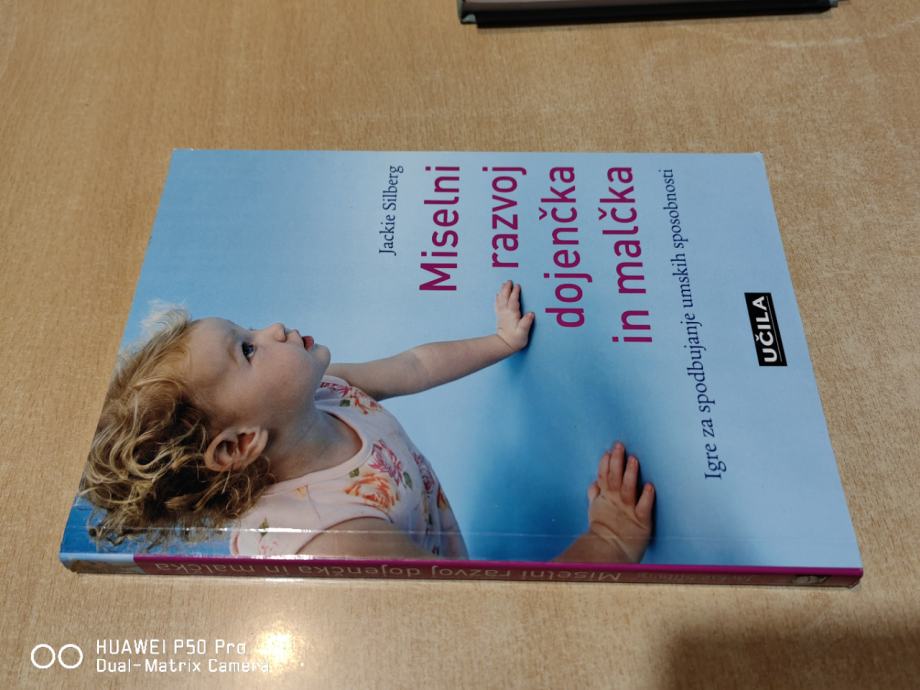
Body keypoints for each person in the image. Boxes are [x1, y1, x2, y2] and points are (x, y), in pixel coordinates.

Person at [82, 282, 654, 562]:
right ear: (240, 445)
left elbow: (413, 366)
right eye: (249, 349)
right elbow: (481, 613)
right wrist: (610, 540)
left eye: (247, 328)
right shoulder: (335, 538)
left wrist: (500, 341)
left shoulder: (317, 393)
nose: (273, 328)